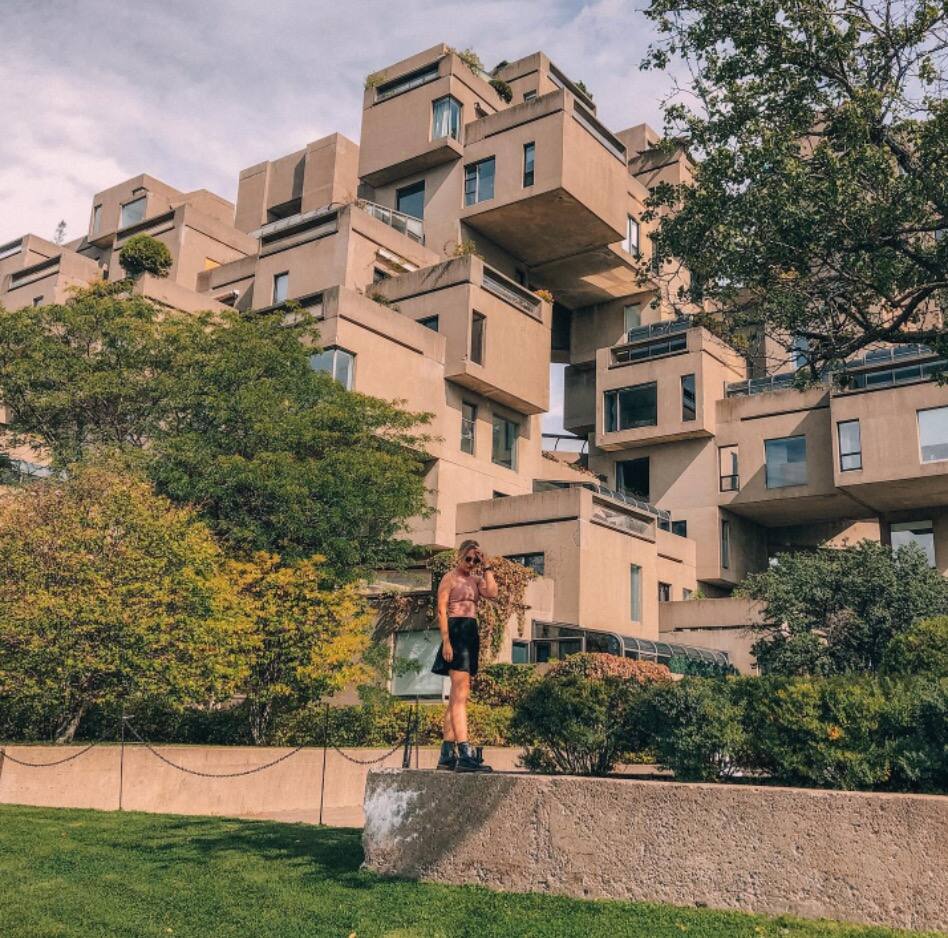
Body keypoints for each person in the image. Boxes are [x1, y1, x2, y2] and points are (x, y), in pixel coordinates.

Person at [431, 539, 498, 772]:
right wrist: (446, 641)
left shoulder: (476, 580)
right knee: (461, 695)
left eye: (474, 560)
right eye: (468, 558)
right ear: (459, 556)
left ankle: (446, 756)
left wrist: (486, 565)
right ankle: (465, 753)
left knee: (455, 698)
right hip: (456, 631)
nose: (471, 563)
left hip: (471, 632)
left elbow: (493, 592)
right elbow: (441, 610)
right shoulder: (449, 578)